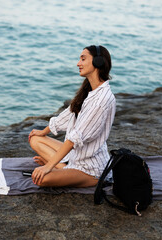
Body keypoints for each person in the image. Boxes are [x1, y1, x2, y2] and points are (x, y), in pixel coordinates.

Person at [28, 45, 116, 188]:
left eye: (83, 59)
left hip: (90, 169)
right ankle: (62, 167)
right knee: (35, 138)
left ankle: (61, 168)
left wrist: (48, 166)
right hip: (76, 156)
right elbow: (68, 115)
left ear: (98, 62)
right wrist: (43, 132)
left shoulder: (102, 100)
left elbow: (73, 139)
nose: (78, 63)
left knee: (41, 179)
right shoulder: (89, 90)